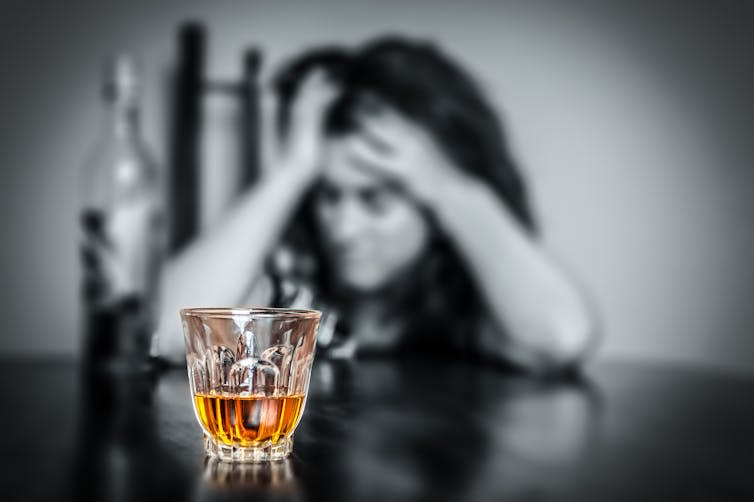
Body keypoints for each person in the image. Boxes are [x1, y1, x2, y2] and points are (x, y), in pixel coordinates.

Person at [155, 37, 599, 374]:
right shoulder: (294, 279)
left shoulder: (479, 301)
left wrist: (448, 184)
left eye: (376, 200)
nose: (342, 230)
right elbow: (168, 333)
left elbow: (562, 338)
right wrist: (290, 172)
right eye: (328, 195)